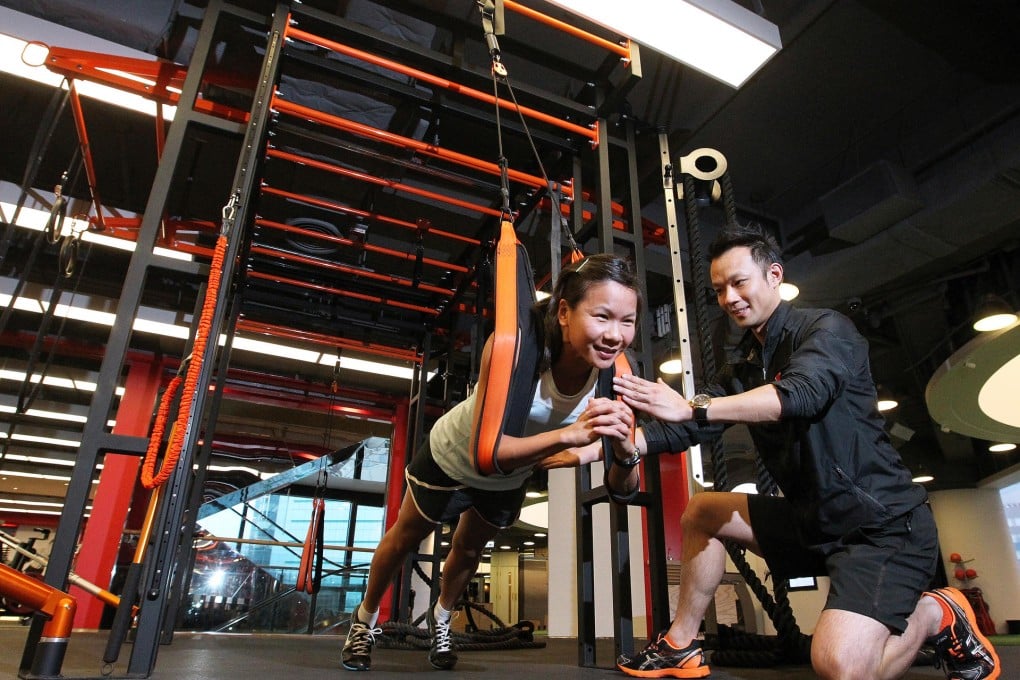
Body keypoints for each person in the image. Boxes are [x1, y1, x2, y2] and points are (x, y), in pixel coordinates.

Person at [609, 224, 1000, 679]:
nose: (729, 298)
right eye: (719, 290)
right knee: (703, 511)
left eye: (739, 282)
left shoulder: (827, 330)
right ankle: (680, 645)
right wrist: (623, 441)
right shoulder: (749, 363)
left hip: (882, 529)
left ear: (774, 275)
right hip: (813, 524)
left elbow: (800, 395)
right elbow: (690, 426)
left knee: (839, 666)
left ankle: (937, 613)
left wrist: (694, 406)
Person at [340, 253, 643, 671]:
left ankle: (442, 621)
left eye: (627, 322)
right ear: (564, 313)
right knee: (404, 539)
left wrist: (611, 449)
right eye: (602, 316)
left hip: (511, 472)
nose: (615, 335)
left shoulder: (616, 377)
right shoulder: (514, 349)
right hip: (455, 454)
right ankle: (364, 621)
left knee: (468, 550)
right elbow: (488, 452)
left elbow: (616, 469)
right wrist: (567, 437)